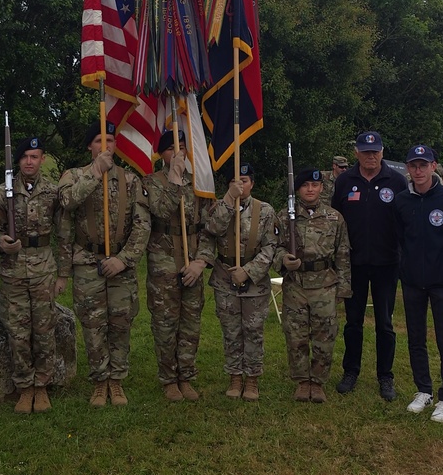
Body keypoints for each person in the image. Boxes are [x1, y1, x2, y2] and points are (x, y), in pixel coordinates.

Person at [58, 121, 150, 407]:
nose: (105, 146)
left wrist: (124, 260)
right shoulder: (73, 176)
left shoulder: (130, 180)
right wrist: (95, 173)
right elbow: (67, 203)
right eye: (99, 140)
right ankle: (99, 381)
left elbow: (142, 225)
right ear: (90, 146)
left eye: (110, 140)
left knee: (121, 322)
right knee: (93, 323)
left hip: (120, 263)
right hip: (87, 261)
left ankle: (117, 380)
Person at [0, 136, 72, 413]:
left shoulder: (53, 192)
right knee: (18, 332)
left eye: (34, 156)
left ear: (42, 159)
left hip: (44, 269)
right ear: (17, 160)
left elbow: (64, 234)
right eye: (24, 156)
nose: (29, 161)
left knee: (45, 329)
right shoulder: (3, 192)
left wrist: (63, 274)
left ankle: (42, 385)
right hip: (13, 271)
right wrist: (1, 242)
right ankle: (25, 386)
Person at [394, 144, 443, 423]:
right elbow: (400, 238)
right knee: (416, 338)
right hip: (412, 281)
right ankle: (423, 390)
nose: (418, 170)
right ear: (408, 168)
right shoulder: (401, 200)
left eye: (423, 165)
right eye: (413, 165)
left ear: (434, 166)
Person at [331, 131, 408, 399]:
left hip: (387, 264)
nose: (370, 156)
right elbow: (335, 220)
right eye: (365, 151)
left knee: (385, 323)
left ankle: (385, 376)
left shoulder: (397, 181)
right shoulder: (344, 181)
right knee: (353, 322)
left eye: (375, 151)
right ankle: (351, 370)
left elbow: (405, 221)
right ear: (356, 154)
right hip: (353, 264)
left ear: (383, 152)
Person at [142, 130, 212, 401]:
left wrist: (201, 261)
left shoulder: (198, 185)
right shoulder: (150, 182)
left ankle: (187, 375)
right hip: (163, 263)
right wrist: (174, 179)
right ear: (161, 154)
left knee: (191, 322)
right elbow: (160, 211)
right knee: (165, 322)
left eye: (182, 148)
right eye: (171, 149)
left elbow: (209, 228)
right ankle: (169, 378)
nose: (178, 154)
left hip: (192, 259)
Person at [201, 162, 279, 401]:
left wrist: (248, 271)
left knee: (253, 330)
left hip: (254, 280)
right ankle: (235, 376)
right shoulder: (219, 208)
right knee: (231, 331)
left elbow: (271, 247)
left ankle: (252, 378)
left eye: (244, 181)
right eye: (235, 181)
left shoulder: (265, 211)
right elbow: (212, 229)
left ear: (252, 184)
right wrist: (227, 200)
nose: (240, 185)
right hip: (225, 277)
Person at [274, 168, 351, 403]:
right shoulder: (285, 216)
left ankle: (317, 382)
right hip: (295, 284)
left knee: (324, 334)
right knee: (295, 334)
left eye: (315, 185)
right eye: (305, 185)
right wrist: (283, 260)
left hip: (325, 285)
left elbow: (343, 253)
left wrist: (343, 287)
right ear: (298, 189)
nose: (310, 189)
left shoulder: (334, 218)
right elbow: (273, 246)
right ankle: (301, 381)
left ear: (321, 188)